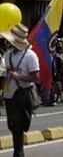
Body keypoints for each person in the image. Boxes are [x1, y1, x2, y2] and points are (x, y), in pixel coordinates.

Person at [2, 23, 39, 157]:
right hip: (9, 94)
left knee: (19, 125)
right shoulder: (8, 55)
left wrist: (20, 77)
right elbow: (6, 74)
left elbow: (35, 77)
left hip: (22, 93)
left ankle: (18, 152)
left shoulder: (30, 56)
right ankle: (18, 152)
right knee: (12, 125)